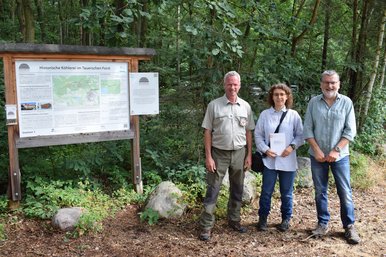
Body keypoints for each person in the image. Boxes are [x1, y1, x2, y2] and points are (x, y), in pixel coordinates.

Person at [303, 70, 360, 244]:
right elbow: (307, 129)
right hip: (317, 156)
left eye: (333, 82)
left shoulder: (346, 103)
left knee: (345, 191)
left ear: (339, 84)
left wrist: (336, 150)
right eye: (326, 82)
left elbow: (350, 131)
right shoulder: (313, 103)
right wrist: (317, 150)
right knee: (320, 191)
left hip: (340, 156)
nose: (330, 86)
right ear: (321, 84)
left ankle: (349, 226)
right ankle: (322, 223)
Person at [198, 71, 255, 241]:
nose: (232, 87)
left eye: (235, 84)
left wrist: (249, 155)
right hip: (218, 153)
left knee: (237, 188)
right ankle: (206, 226)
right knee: (213, 189)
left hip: (239, 153)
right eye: (229, 84)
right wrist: (208, 156)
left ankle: (234, 220)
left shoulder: (245, 106)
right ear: (224, 85)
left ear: (239, 85)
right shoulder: (214, 105)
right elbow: (207, 132)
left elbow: (248, 132)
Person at [254, 83, 304, 232]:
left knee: (287, 193)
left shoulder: (293, 115)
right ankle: (262, 219)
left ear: (287, 96)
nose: (279, 97)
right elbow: (258, 135)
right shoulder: (265, 115)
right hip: (269, 161)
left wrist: (292, 147)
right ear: (272, 96)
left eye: (282, 94)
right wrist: (265, 149)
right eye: (276, 94)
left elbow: (301, 135)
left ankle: (286, 219)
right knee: (266, 192)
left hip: (287, 160)